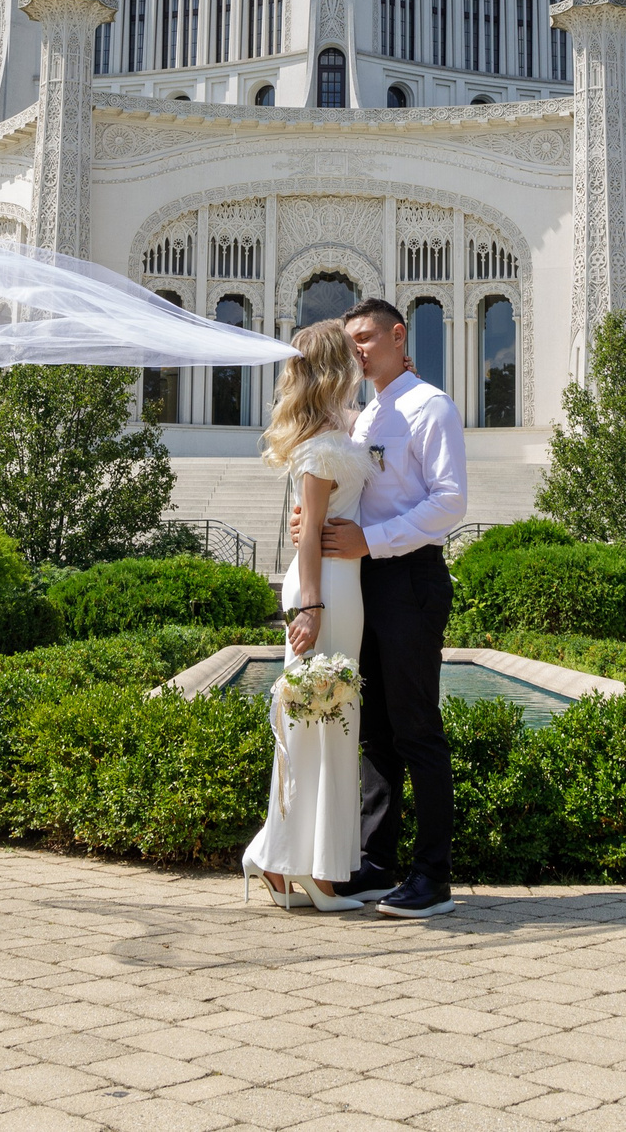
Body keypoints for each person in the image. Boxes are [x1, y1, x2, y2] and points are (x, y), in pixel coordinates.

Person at [292, 298, 468, 919]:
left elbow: (450, 502)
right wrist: (311, 523)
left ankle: (433, 878)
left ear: (398, 336)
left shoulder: (430, 406)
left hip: (410, 580)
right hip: (363, 581)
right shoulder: (365, 416)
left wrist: (373, 540)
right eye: (351, 342)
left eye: (367, 338)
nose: (357, 350)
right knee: (374, 731)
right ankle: (376, 862)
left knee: (417, 728)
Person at [240, 320, 376, 913]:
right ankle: (306, 870)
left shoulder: (335, 429)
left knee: (327, 720)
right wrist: (313, 607)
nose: (360, 360)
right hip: (327, 588)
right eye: (351, 353)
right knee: (317, 720)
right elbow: (310, 535)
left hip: (343, 584)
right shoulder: (321, 447)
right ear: (336, 367)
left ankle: (281, 860)